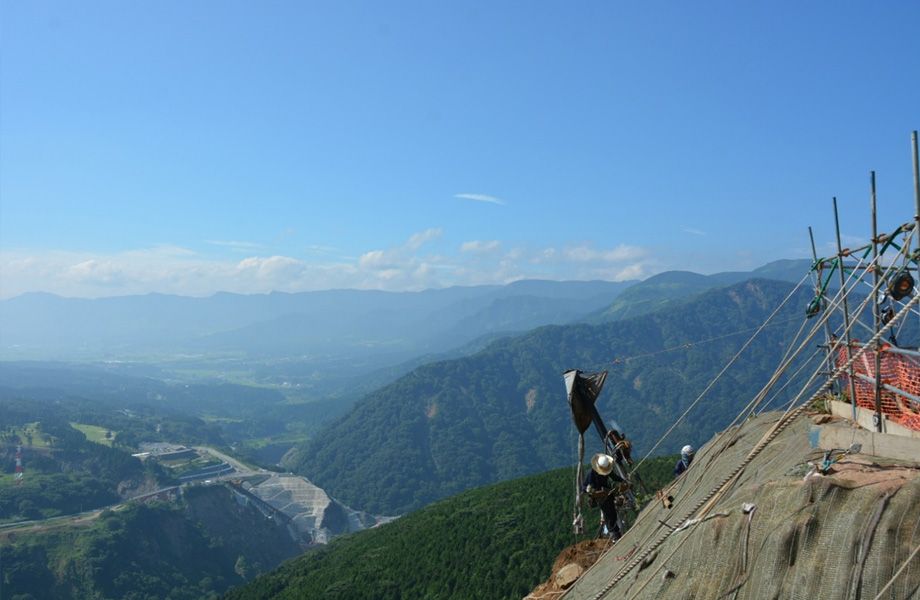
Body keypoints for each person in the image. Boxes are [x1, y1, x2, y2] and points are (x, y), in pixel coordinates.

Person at [583, 453, 625, 540]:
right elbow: (585, 487)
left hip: (607, 492)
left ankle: (616, 532)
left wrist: (623, 481)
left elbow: (613, 476)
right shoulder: (591, 474)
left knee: (612, 512)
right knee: (608, 514)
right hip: (599, 496)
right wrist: (590, 491)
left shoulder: (607, 471)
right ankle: (614, 535)